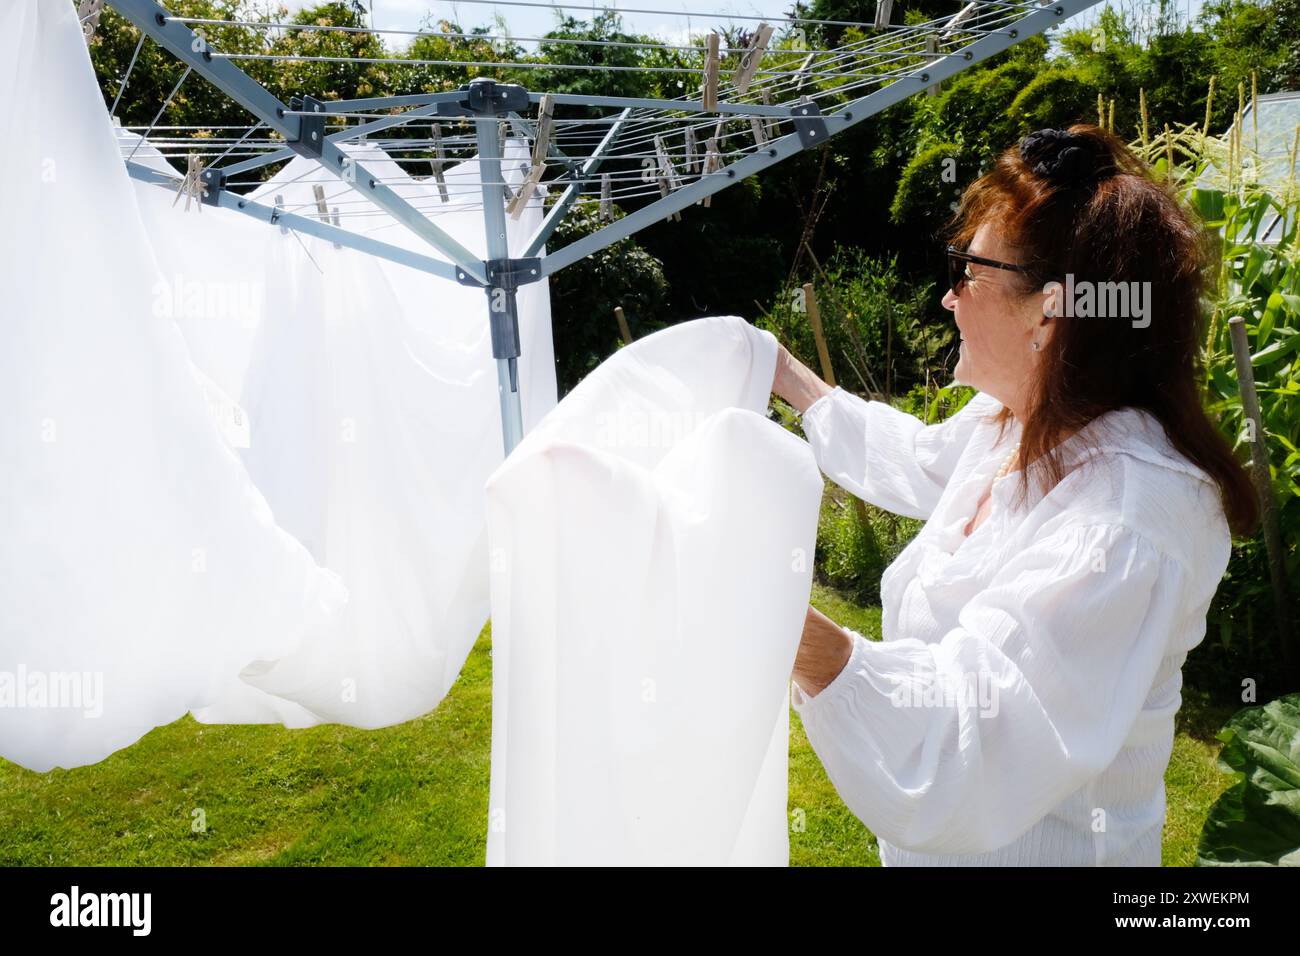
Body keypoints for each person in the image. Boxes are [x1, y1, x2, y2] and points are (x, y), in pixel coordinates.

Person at [771, 124, 1259, 866]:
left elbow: (965, 744)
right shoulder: (1014, 426)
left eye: (967, 271)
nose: (946, 297)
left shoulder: (1126, 521)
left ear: (1051, 311)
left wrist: (766, 611)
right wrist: (780, 371)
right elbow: (915, 458)